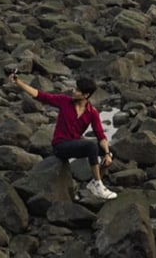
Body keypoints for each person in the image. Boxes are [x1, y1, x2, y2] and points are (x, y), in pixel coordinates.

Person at [8, 72, 117, 200]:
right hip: (60, 146)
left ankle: (94, 182)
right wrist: (18, 82)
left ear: (86, 95)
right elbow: (40, 95)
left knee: (108, 151)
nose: (73, 90)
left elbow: (101, 135)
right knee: (91, 146)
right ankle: (99, 184)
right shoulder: (64, 101)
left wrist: (107, 153)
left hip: (74, 145)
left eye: (77, 90)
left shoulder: (92, 113)